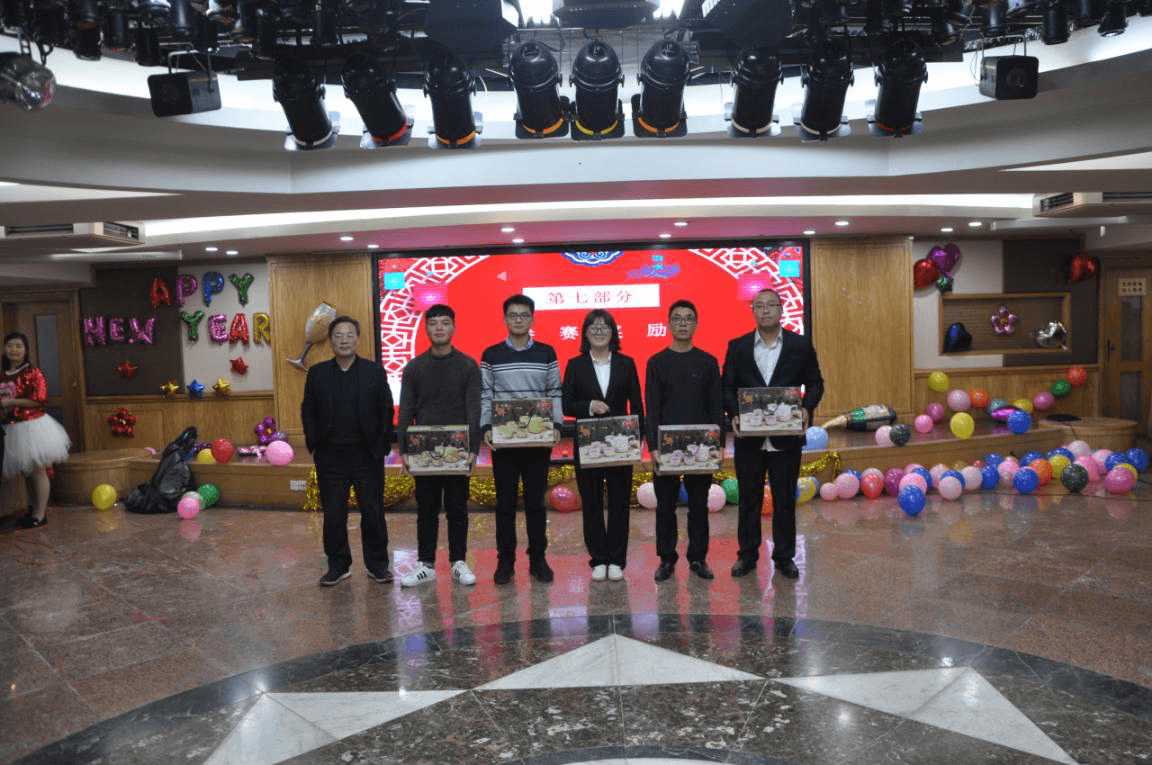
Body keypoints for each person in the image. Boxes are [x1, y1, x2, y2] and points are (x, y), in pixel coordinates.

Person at [723, 288, 823, 580]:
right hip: (749, 440)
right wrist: (734, 414)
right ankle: (747, 555)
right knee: (749, 501)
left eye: (771, 305)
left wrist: (806, 408)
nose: (765, 310)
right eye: (759, 305)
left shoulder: (800, 345)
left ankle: (784, 556)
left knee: (784, 500)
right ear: (753, 311)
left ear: (781, 310)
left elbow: (815, 383)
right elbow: (726, 386)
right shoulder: (738, 346)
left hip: (786, 438)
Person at [301, 316, 395, 586]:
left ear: (357, 339)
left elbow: (386, 408)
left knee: (373, 512)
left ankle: (378, 565)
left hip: (367, 455)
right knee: (333, 515)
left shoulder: (374, 372)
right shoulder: (317, 373)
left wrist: (382, 444)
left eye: (349, 335)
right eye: (338, 335)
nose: (344, 340)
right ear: (331, 341)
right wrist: (313, 444)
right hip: (330, 456)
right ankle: (338, 566)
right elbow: (308, 410)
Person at [396, 304, 481, 587]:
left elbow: (473, 410)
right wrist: (404, 451)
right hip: (424, 453)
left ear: (454, 327)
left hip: (458, 452)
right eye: (433, 323)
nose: (439, 328)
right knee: (426, 510)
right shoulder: (414, 367)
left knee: (458, 508)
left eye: (445, 322)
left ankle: (458, 562)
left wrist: (473, 449)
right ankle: (425, 564)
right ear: (426, 329)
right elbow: (406, 411)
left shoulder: (468, 365)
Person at [481, 294, 563, 585]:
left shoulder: (546, 352)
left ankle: (538, 559)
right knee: (505, 504)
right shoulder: (491, 354)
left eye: (524, 315)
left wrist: (557, 424)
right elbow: (486, 393)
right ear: (505, 319)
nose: (518, 319)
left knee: (535, 503)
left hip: (537, 440)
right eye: (513, 315)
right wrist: (486, 426)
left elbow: (555, 391)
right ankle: (505, 561)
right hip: (504, 441)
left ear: (532, 319)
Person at [562, 309, 644, 583]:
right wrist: (588, 406)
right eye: (593, 327)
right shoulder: (575, 365)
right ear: (585, 333)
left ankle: (617, 559)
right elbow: (565, 404)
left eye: (604, 326)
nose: (599, 331)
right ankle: (598, 559)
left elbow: (637, 403)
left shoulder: (626, 363)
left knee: (620, 502)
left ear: (613, 332)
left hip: (621, 444)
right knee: (592, 502)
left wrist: (638, 439)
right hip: (589, 445)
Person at [644, 300, 723, 582]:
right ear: (668, 324)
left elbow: (716, 407)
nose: (683, 323)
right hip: (666, 448)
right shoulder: (656, 362)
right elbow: (652, 408)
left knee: (699, 505)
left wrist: (718, 445)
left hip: (701, 448)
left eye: (688, 319)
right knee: (665, 506)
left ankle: (698, 558)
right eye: (677, 319)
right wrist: (653, 447)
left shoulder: (708, 362)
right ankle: (666, 559)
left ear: (696, 324)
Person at [1, 331, 71, 528]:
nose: (14, 350)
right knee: (26, 473)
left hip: (31, 427)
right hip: (11, 427)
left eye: (18, 346)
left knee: (38, 471)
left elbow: (40, 401)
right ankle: (32, 510)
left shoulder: (33, 373)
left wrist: (11, 402)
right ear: (5, 349)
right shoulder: (3, 374)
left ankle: (40, 515)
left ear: (25, 350)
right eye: (10, 346)